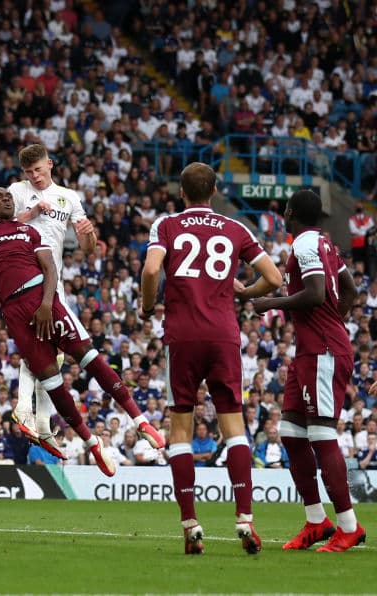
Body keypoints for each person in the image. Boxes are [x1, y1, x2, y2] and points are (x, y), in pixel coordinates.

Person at [0, 187, 139, 478]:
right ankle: (68, 433)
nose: (5, 198)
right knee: (49, 375)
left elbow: (51, 265)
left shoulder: (28, 230)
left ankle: (129, 421)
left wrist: (46, 301)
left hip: (49, 296)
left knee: (82, 356)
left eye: (8, 196)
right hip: (16, 309)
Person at [140, 161, 281, 555]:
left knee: (180, 430)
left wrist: (147, 306)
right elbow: (273, 278)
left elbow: (152, 269)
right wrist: (243, 293)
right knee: (234, 426)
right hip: (223, 335)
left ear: (181, 192)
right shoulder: (237, 229)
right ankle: (245, 520)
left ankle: (190, 526)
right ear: (214, 191)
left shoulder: (166, 225)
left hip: (182, 336)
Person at [254, 189, 365, 552]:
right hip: (311, 350)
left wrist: (273, 303)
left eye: (284, 211)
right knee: (289, 432)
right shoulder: (327, 245)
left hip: (323, 350)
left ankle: (349, 525)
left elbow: (317, 293)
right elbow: (349, 289)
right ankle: (317, 520)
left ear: (289, 213)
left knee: (320, 435)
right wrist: (334, 319)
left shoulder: (304, 246)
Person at [7, 143, 96, 456]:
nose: (35, 177)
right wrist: (31, 212)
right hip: (23, 278)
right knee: (39, 345)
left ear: (50, 165)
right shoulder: (17, 191)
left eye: (39, 170)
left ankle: (43, 422)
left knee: (53, 350)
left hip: (52, 280)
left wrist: (88, 232)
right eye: (29, 172)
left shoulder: (69, 197)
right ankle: (25, 410)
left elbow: (88, 247)